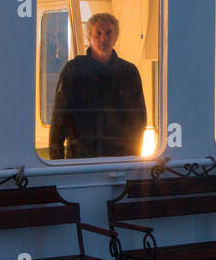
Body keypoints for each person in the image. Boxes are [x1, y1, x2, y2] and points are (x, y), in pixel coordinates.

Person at [48, 12, 146, 159]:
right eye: (98, 33)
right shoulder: (74, 70)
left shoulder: (128, 72)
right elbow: (59, 119)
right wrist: (56, 164)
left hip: (119, 158)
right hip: (81, 159)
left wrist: (134, 161)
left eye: (108, 33)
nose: (103, 38)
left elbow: (139, 120)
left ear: (116, 37)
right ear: (89, 38)